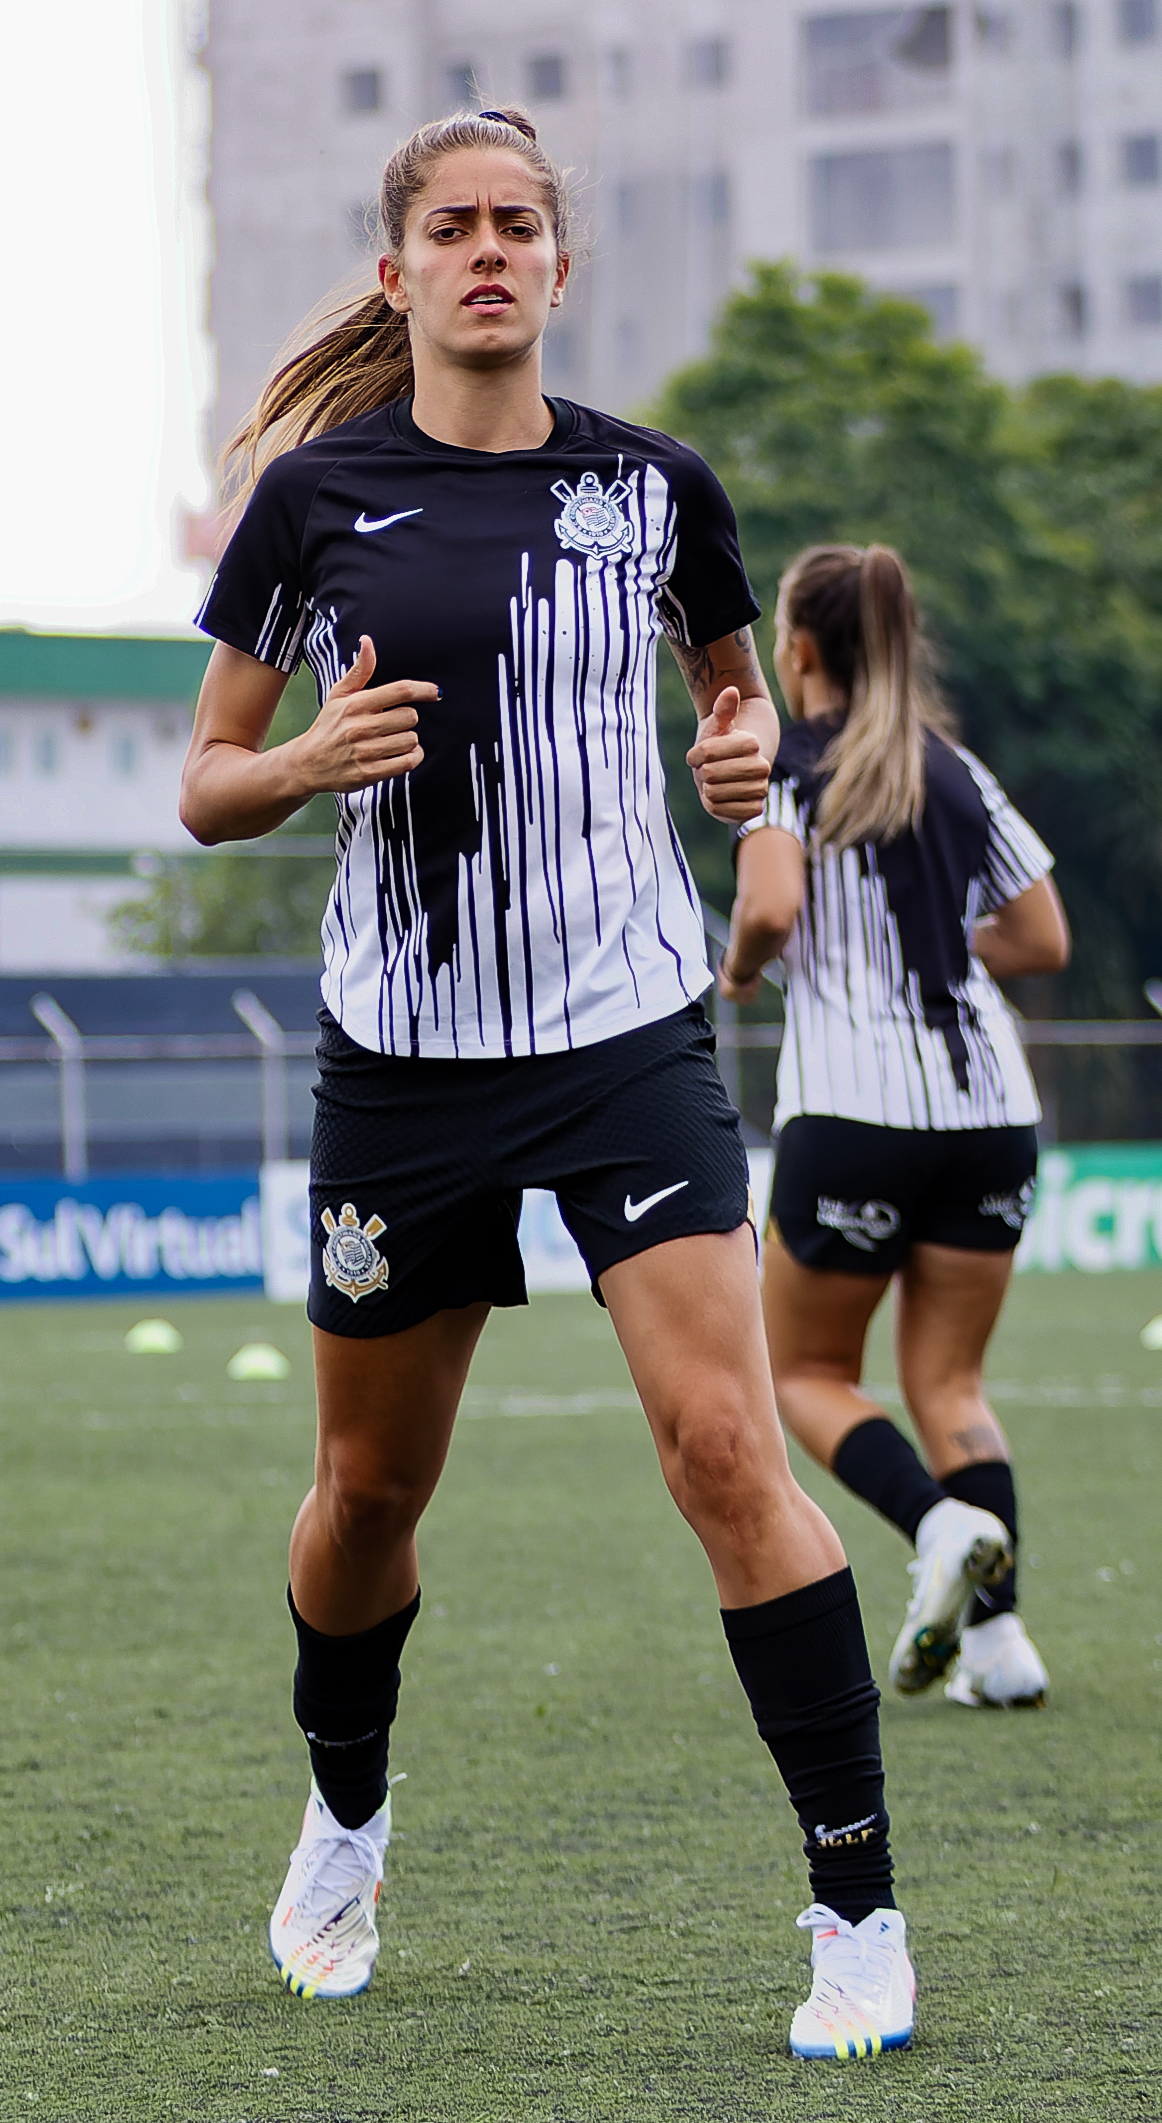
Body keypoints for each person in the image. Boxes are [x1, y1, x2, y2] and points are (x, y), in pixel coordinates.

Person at [182, 110, 915, 2060]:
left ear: (558, 268)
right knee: (365, 1491)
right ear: (401, 266)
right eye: (454, 225)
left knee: (724, 1447)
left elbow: (735, 704)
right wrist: (306, 760)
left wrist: (750, 805)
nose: (490, 249)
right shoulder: (313, 502)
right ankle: (347, 1804)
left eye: (520, 223)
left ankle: (857, 1907)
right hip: (403, 1061)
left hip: (624, 1037)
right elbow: (205, 783)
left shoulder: (658, 486)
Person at [720, 542, 1069, 1715]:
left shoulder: (787, 763)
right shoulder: (957, 770)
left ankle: (938, 1523)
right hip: (991, 1108)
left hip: (854, 1105)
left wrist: (740, 970)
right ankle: (1002, 1642)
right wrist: (937, 950)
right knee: (953, 1383)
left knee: (803, 1371)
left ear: (802, 649)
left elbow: (770, 904)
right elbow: (1042, 938)